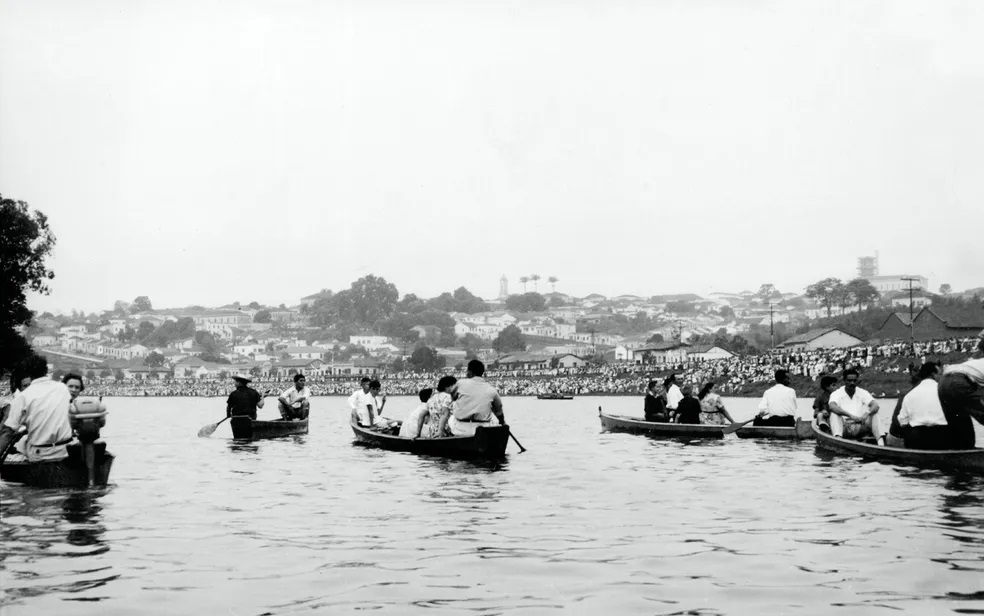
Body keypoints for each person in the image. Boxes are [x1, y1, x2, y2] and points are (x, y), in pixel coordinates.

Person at [0, 354, 74, 463]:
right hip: (65, 451)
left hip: (40, 454)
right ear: (46, 370)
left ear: (28, 373)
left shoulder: (23, 396)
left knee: (21, 445)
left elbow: (7, 433)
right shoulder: (62, 388)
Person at [937, 336, 984, 449]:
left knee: (961, 428)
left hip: (943, 383)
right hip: (959, 382)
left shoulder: (973, 362)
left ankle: (960, 453)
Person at [897, 361, 950, 450]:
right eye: (940, 374)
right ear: (933, 375)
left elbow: (902, 421)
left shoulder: (910, 395)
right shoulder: (944, 392)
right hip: (941, 437)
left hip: (917, 439)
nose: (941, 377)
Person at [828, 368, 884, 445]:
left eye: (854, 381)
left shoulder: (862, 392)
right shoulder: (836, 393)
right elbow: (832, 406)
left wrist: (867, 413)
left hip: (859, 425)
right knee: (834, 414)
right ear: (844, 381)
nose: (852, 383)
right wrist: (850, 415)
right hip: (844, 427)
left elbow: (875, 405)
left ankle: (880, 442)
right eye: (849, 381)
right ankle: (838, 439)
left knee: (874, 413)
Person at [449, 360, 504, 437]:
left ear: (471, 372)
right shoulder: (492, 389)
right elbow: (499, 411)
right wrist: (503, 423)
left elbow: (452, 398)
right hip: (482, 429)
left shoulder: (460, 383)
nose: (466, 373)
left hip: (461, 429)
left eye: (467, 370)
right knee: (493, 421)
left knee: (451, 417)